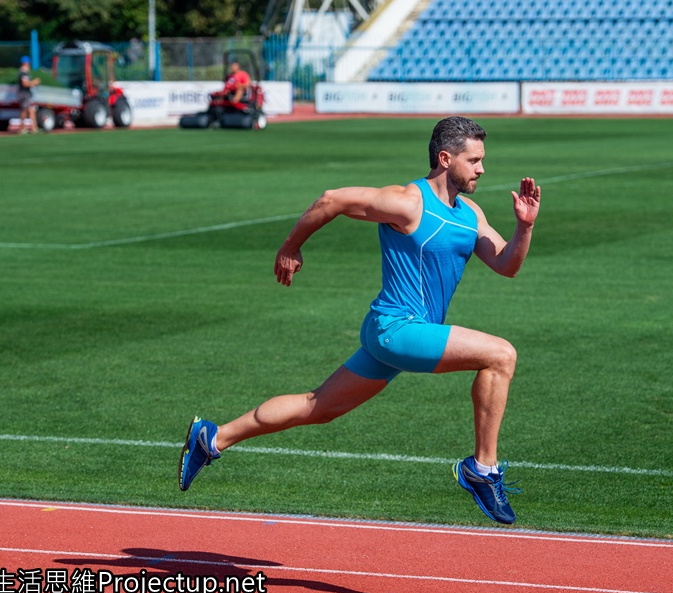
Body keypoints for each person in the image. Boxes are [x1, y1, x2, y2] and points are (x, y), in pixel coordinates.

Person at [180, 116, 540, 525]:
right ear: (445, 158)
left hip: (400, 336)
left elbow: (506, 264)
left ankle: (213, 437)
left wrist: (524, 227)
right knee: (500, 356)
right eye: (474, 160)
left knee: (317, 407)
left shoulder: (469, 214)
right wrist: (290, 247)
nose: (481, 169)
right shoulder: (407, 203)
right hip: (396, 329)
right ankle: (483, 469)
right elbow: (332, 199)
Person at [17, 56, 40, 134]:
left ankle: (34, 128)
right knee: (25, 110)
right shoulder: (23, 72)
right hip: (24, 94)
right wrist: (34, 82)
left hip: (25, 94)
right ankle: (22, 128)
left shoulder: (25, 71)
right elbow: (25, 84)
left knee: (31, 110)